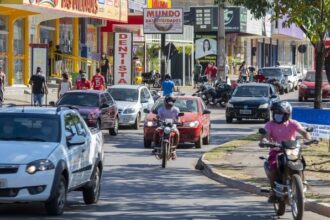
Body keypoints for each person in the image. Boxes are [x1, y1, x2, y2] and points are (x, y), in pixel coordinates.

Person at [260, 101, 310, 202]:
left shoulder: (293, 123)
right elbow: (265, 135)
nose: (277, 115)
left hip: (292, 150)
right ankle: (273, 191)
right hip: (276, 151)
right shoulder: (270, 124)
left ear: (287, 114)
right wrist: (264, 140)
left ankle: (301, 183)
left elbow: (303, 131)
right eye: (275, 113)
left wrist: (308, 137)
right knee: (273, 167)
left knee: (301, 164)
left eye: (280, 113)